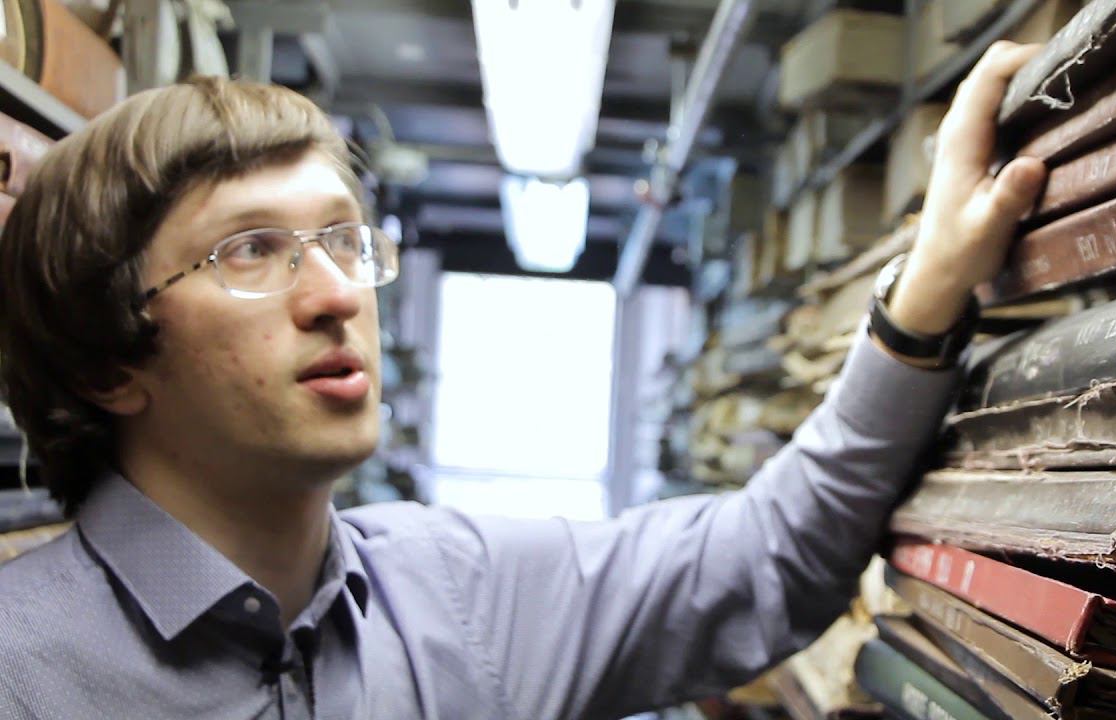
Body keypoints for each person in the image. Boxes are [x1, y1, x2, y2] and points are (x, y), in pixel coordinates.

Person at [0, 41, 1045, 720]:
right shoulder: (20, 667)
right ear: (106, 361)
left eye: (344, 241)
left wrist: (929, 288)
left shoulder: (457, 592)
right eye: (250, 251)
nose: (335, 293)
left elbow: (766, 555)